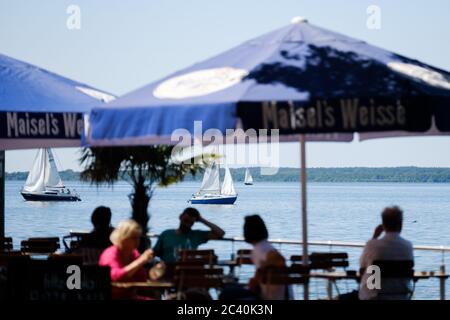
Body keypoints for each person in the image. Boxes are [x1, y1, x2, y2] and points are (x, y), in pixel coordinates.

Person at [340, 206, 414, 300]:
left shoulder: (372, 245)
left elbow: (362, 268)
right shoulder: (408, 246)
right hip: (401, 297)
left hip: (374, 296)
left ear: (383, 224)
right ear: (401, 225)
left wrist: (375, 236)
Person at [99, 219, 154, 299]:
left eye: (138, 238)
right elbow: (116, 277)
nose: (137, 241)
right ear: (123, 238)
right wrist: (141, 260)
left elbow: (142, 279)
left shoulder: (133, 253)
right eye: (134, 238)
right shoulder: (111, 253)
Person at [244, 215, 293, 300]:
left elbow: (280, 259)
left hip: (269, 297)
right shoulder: (266, 246)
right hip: (285, 296)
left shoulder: (260, 248)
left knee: (227, 293)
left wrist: (259, 272)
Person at [153, 207, 225, 264]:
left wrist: (201, 220)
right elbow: (155, 252)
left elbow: (220, 233)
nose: (187, 224)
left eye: (191, 223)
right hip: (168, 272)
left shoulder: (196, 235)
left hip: (189, 273)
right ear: (180, 217)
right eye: (186, 220)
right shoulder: (166, 234)